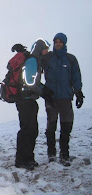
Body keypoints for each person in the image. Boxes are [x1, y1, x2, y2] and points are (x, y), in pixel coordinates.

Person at [42, 33, 84, 166]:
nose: (58, 44)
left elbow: (76, 77)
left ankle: (64, 154)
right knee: (51, 127)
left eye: (61, 42)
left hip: (66, 98)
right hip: (51, 98)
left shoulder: (71, 59)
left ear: (64, 43)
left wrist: (78, 93)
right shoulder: (48, 58)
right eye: (56, 42)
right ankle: (51, 154)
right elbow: (35, 63)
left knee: (66, 127)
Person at [14, 39, 52, 170]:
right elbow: (29, 82)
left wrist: (43, 89)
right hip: (25, 100)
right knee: (27, 130)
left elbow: (31, 81)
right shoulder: (33, 61)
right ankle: (22, 160)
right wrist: (42, 91)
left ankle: (28, 158)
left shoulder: (35, 61)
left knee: (31, 130)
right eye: (46, 48)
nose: (47, 51)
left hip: (28, 100)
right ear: (41, 48)